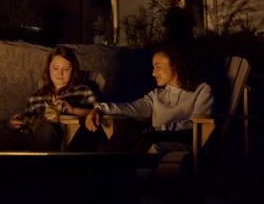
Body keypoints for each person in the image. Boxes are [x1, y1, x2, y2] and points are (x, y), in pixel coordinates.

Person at [85, 45, 213, 154]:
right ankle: (104, 169)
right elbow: (131, 107)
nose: (153, 73)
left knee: (145, 139)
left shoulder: (202, 90)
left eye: (158, 67)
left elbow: (197, 124)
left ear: (175, 65)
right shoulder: (157, 95)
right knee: (127, 127)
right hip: (153, 137)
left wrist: (159, 129)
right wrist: (99, 107)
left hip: (182, 140)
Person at [0, 45, 98, 151]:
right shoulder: (36, 96)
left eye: (66, 69)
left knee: (47, 129)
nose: (59, 73)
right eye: (55, 68)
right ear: (49, 68)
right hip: (27, 135)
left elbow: (99, 110)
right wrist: (13, 123)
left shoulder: (82, 90)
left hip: (55, 136)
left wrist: (73, 110)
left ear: (74, 70)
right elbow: (26, 121)